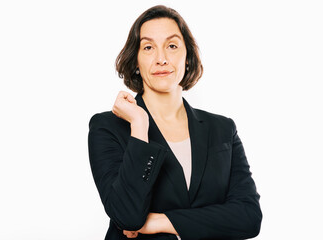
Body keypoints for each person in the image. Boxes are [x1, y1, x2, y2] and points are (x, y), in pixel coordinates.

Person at [88, 5, 262, 240]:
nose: (161, 59)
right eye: (148, 47)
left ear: (188, 58)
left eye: (172, 46)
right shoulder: (107, 127)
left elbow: (249, 217)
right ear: (136, 62)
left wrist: (161, 221)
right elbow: (127, 217)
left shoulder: (222, 130)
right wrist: (139, 124)